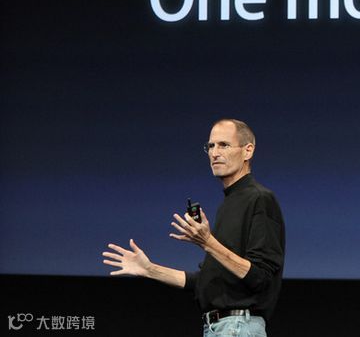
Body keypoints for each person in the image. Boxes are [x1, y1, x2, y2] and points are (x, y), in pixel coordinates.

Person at [102, 119, 285, 336]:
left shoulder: (260, 199)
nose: (214, 153)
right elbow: (205, 282)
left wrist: (208, 242)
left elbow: (261, 277)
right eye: (211, 146)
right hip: (218, 327)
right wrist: (149, 269)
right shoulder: (229, 203)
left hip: (237, 327)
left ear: (248, 151)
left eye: (224, 145)